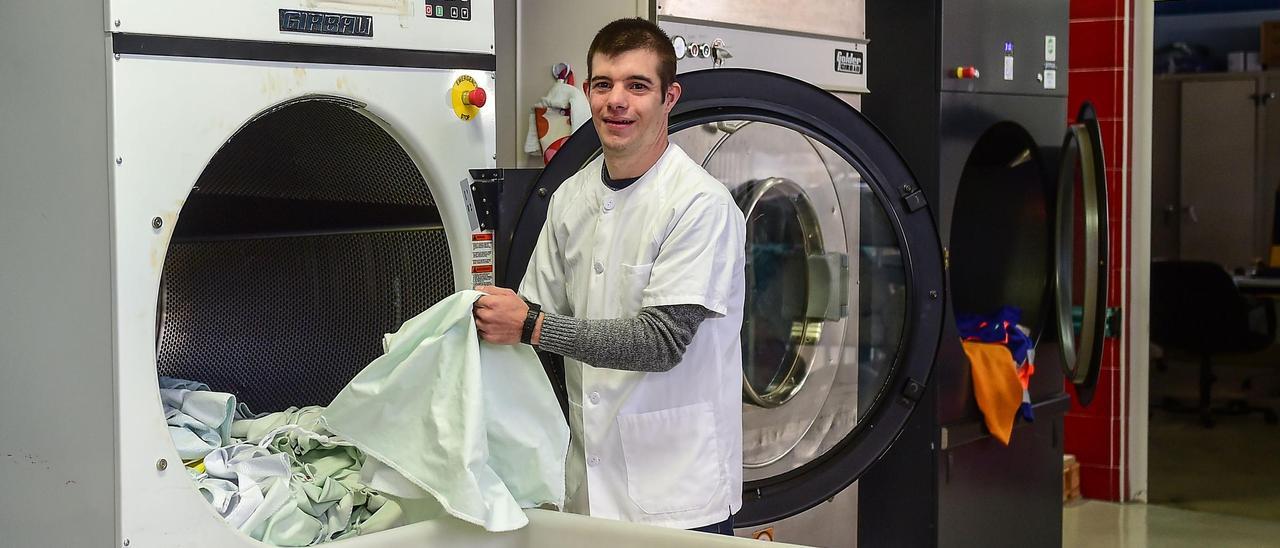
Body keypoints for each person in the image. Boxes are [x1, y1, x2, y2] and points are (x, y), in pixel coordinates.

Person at [471, 17, 745, 535]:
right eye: (603, 84)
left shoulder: (700, 204)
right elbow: (533, 312)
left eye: (637, 86)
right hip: (587, 489)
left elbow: (659, 342)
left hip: (679, 497)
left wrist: (529, 325)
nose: (616, 100)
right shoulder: (571, 197)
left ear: (670, 98)